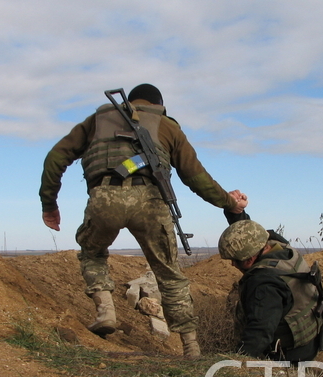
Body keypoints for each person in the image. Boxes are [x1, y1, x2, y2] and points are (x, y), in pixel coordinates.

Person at [39, 83, 247, 358]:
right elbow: (197, 178)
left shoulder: (96, 120)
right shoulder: (167, 126)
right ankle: (191, 347)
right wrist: (230, 202)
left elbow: (56, 157)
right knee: (169, 274)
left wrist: (49, 204)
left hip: (104, 199)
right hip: (151, 203)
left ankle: (105, 313)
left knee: (92, 253)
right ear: (158, 104)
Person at [218, 212, 323, 363]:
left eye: (236, 260)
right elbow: (251, 234)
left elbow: (259, 333)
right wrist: (236, 213)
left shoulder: (264, 283)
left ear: (250, 259)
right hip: (310, 339)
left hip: (288, 358)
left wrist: (235, 364)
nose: (233, 264)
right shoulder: (280, 246)